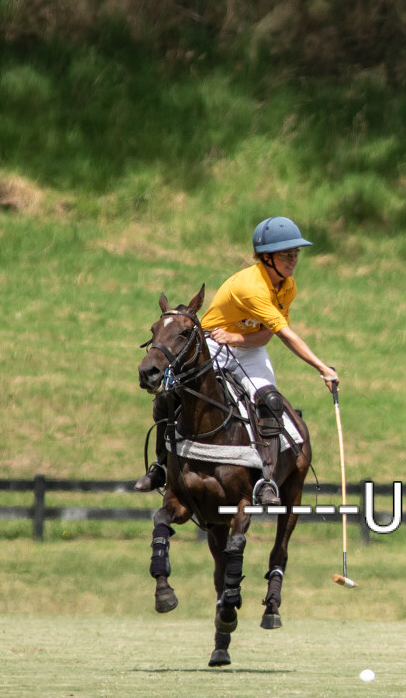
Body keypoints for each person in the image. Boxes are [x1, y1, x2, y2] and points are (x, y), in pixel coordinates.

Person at [136, 216, 338, 506]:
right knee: (169, 396)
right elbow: (286, 335)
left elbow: (267, 335)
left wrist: (237, 338)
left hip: (248, 347)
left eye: (296, 253)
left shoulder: (288, 286)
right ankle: (161, 467)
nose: (293, 260)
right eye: (286, 254)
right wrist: (322, 367)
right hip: (212, 345)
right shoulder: (251, 287)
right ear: (266, 257)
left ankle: (267, 480)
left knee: (270, 402)